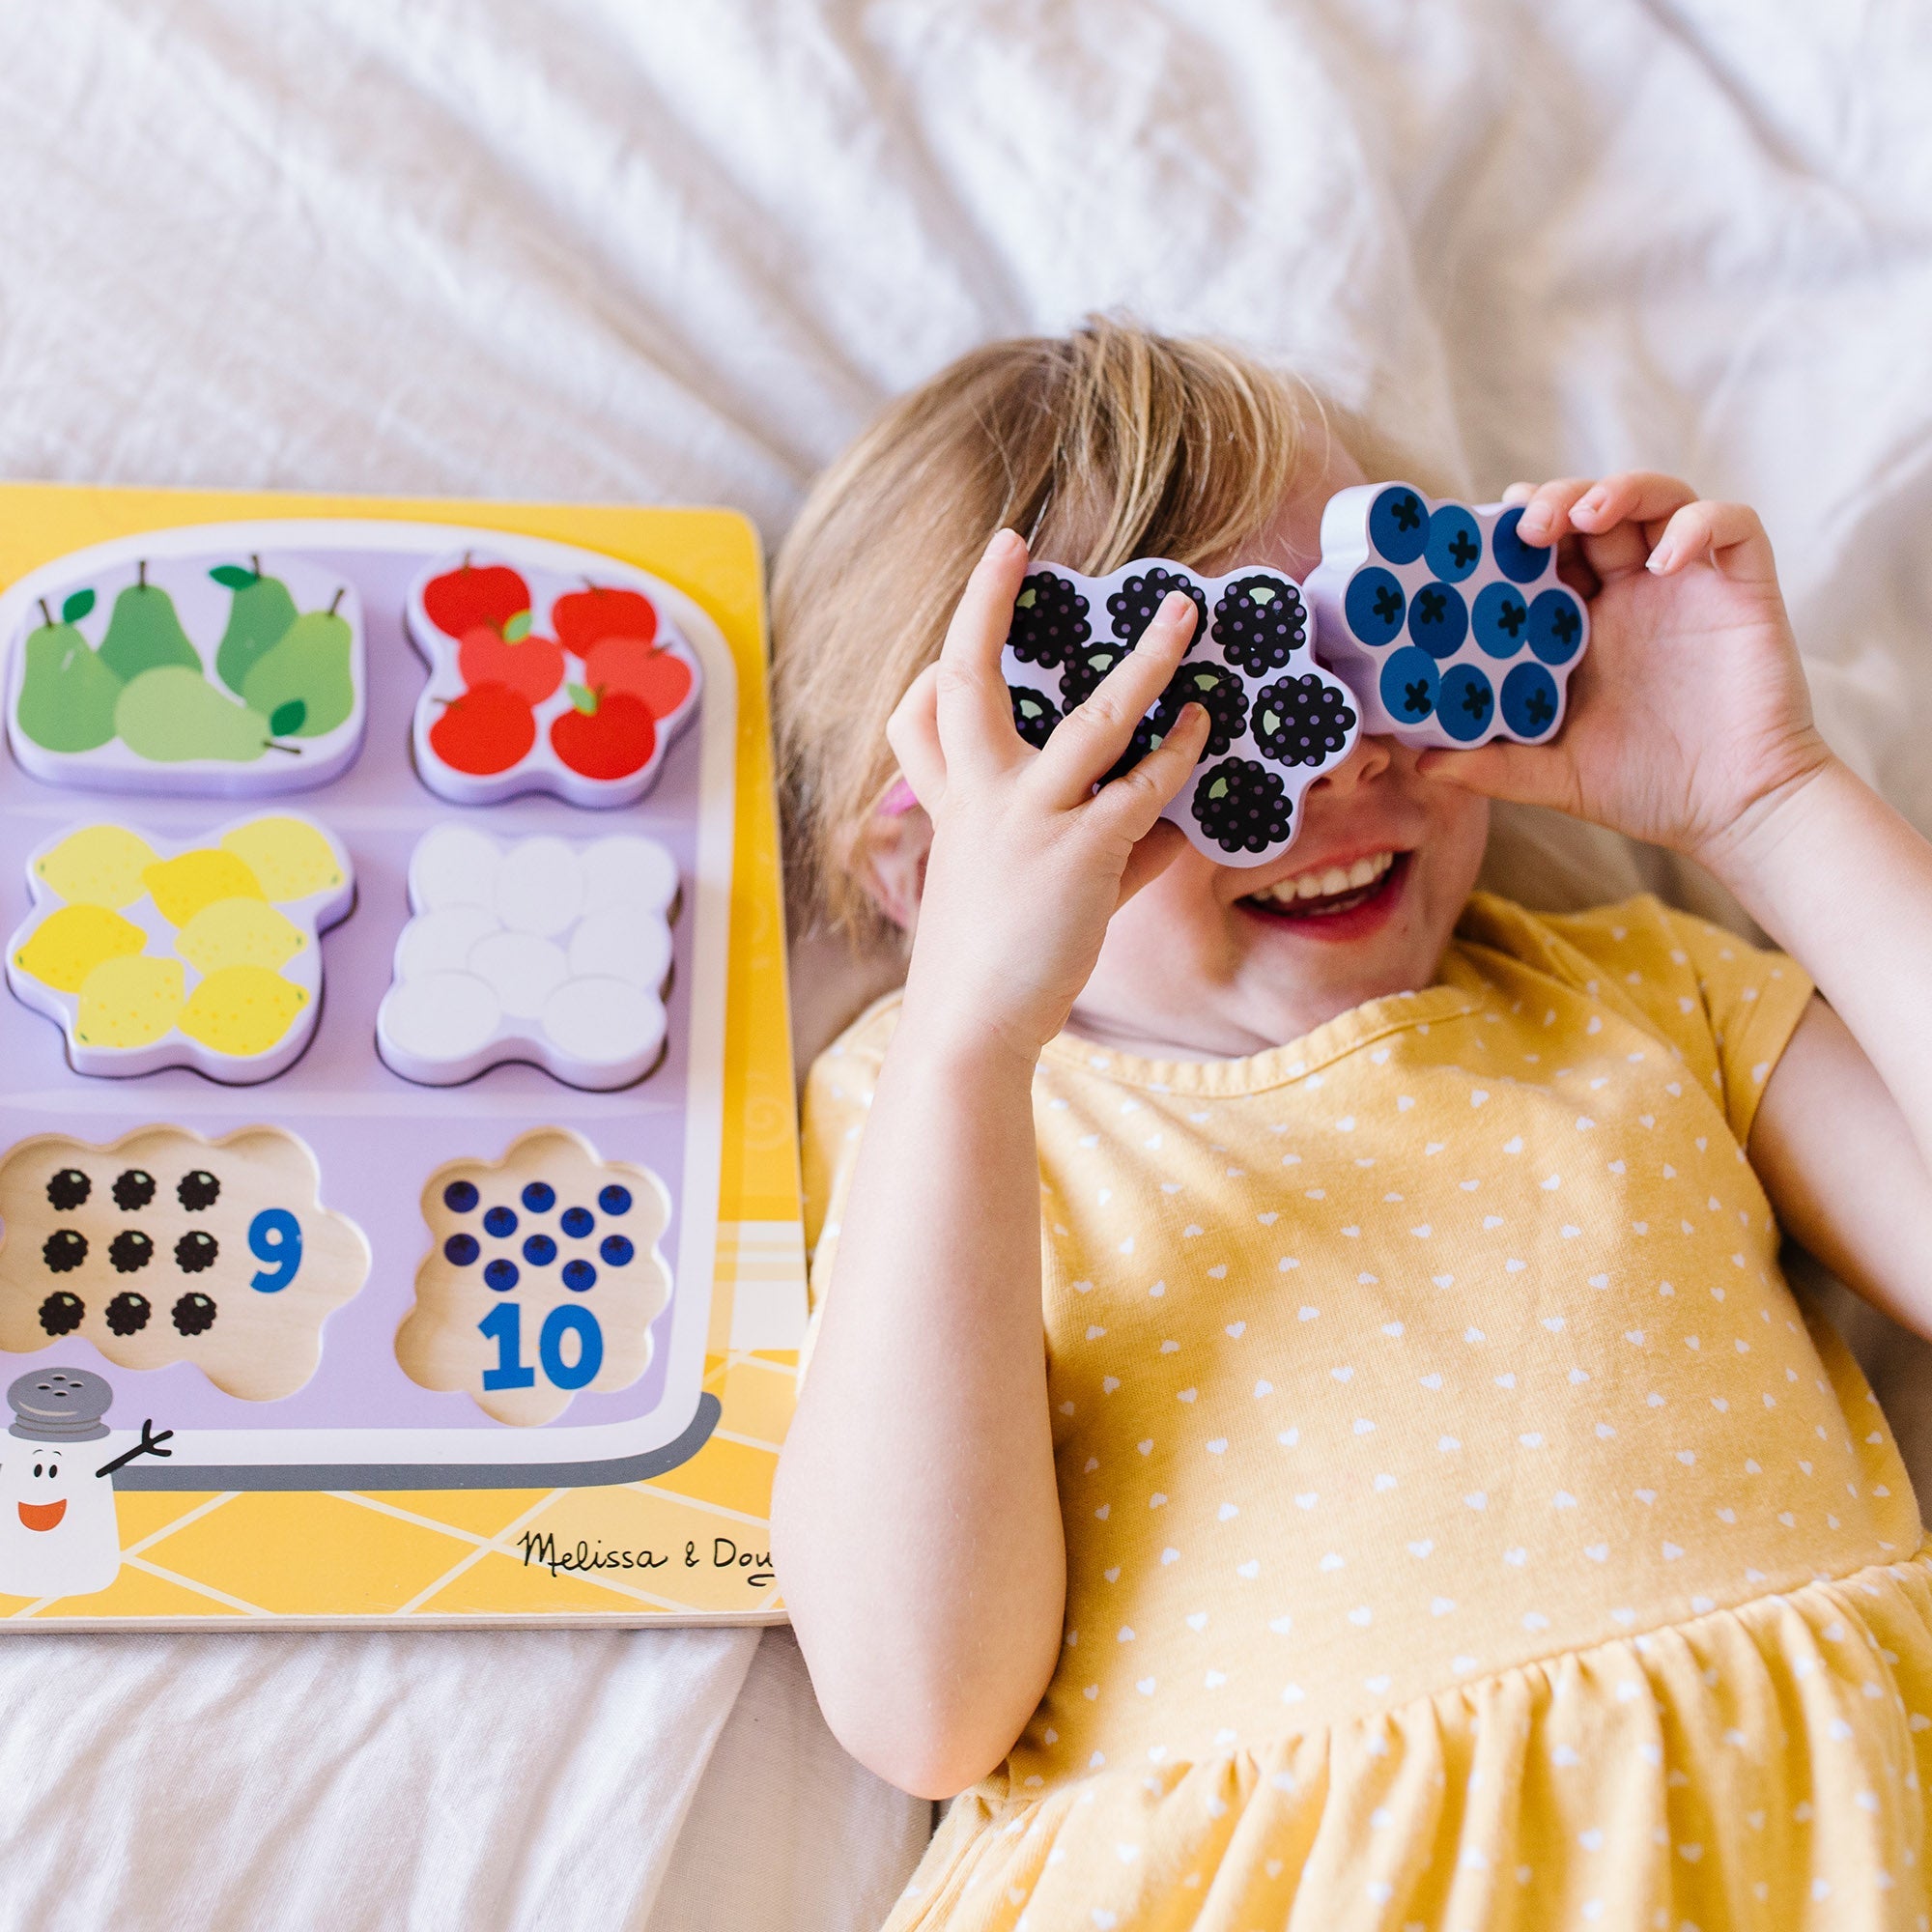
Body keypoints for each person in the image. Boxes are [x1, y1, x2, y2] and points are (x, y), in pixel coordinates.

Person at [768, 319, 1932, 1929]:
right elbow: (920, 1700)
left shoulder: (1641, 996)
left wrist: (1768, 803)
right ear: (917, 876)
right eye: (1194, 740)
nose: (1346, 766)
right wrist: (970, 1033)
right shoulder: (944, 1121)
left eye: (1379, 656)